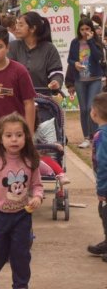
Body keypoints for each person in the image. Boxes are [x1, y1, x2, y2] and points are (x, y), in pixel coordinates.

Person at [0, 112, 43, 289]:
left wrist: (37, 197)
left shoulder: (31, 160)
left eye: (19, 135)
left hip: (22, 215)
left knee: (21, 255)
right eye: (9, 135)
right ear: (1, 139)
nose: (14, 140)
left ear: (26, 137)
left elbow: (37, 185)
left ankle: (21, 285)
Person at [67, 17, 104, 148]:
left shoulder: (96, 41)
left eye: (87, 29)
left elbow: (98, 57)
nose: (84, 31)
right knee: (83, 109)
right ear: (79, 30)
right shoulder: (75, 42)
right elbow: (69, 60)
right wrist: (75, 63)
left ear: (91, 29)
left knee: (90, 108)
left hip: (94, 79)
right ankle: (86, 137)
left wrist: (91, 42)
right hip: (80, 80)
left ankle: (94, 137)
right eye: (82, 29)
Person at [8, 11, 63, 94]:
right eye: (17, 24)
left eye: (21, 25)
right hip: (17, 98)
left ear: (33, 28)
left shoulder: (49, 48)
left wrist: (56, 81)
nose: (17, 28)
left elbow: (56, 72)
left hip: (42, 98)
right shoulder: (12, 46)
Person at [89, 92, 107, 262]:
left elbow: (102, 164)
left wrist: (101, 189)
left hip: (106, 184)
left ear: (94, 113)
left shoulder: (101, 136)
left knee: (105, 212)